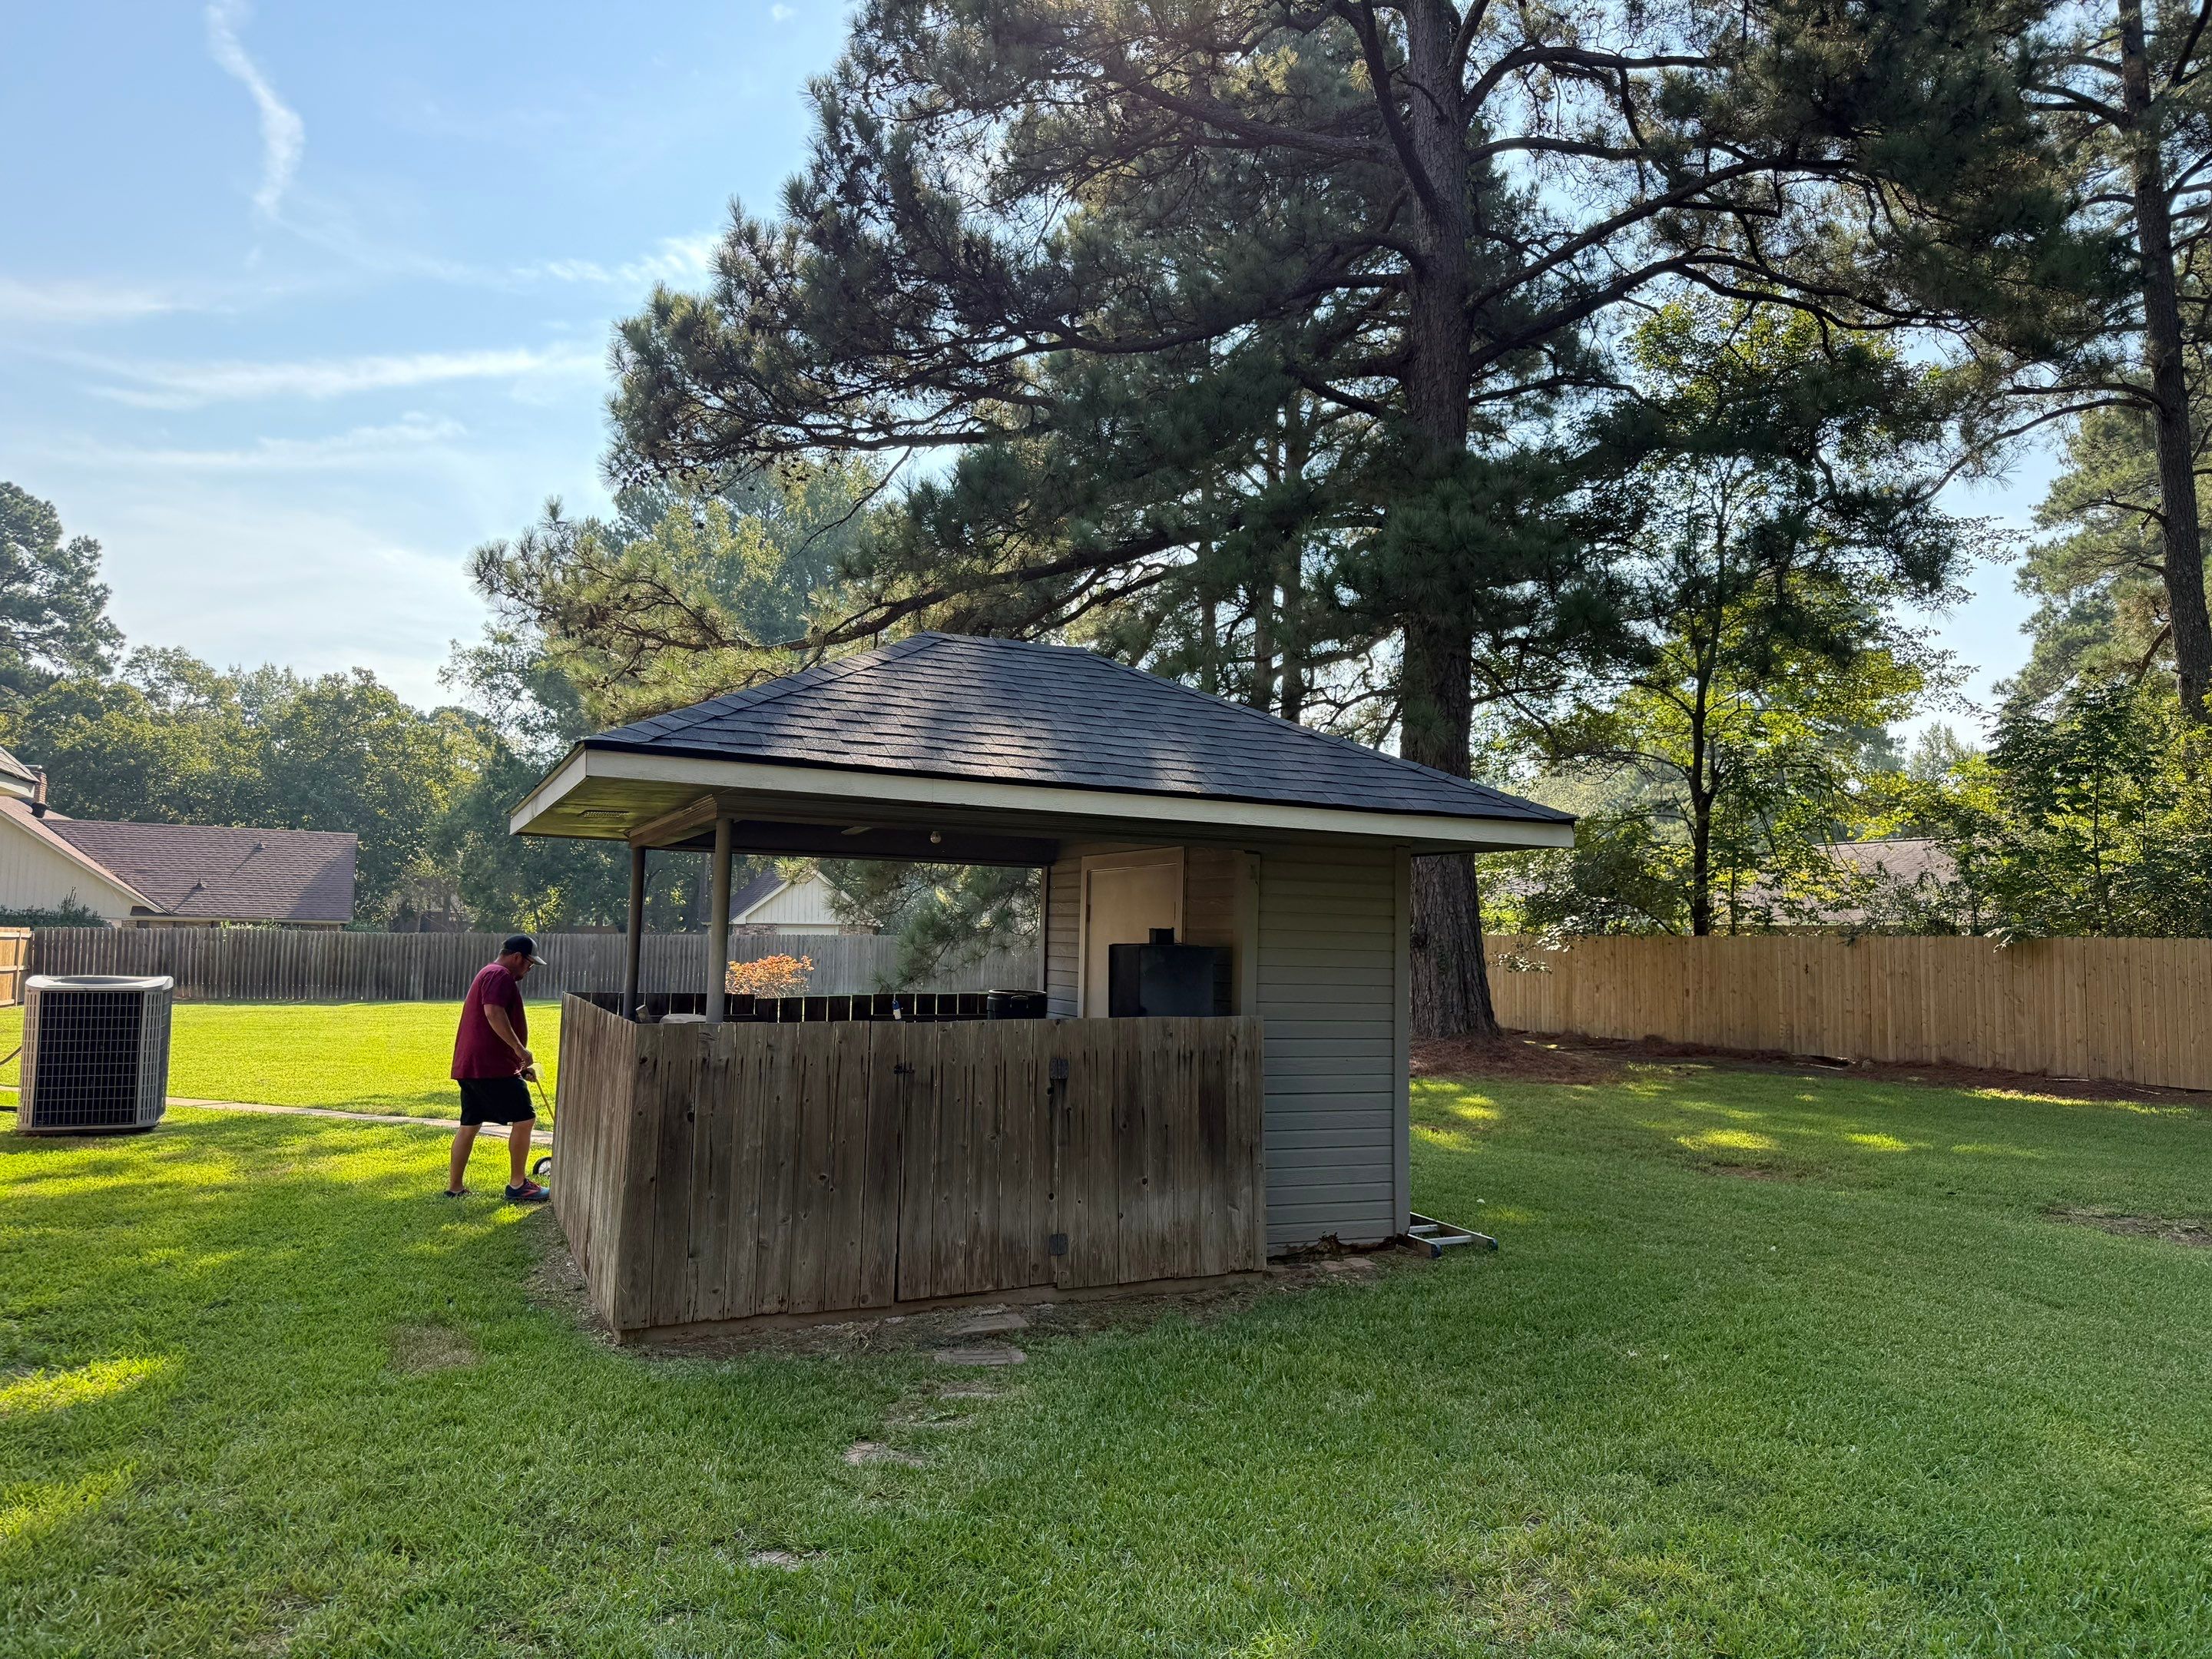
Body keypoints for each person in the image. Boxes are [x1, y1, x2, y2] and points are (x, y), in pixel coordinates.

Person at [445, 934, 550, 1202]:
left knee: (470, 1124)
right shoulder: (500, 975)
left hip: (472, 1066)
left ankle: (454, 1188)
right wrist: (520, 1050)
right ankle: (518, 1186)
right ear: (517, 957)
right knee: (525, 1118)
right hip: (490, 1067)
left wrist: (518, 1065)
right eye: (529, 964)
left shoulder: (487, 973)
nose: (529, 970)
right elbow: (493, 1012)